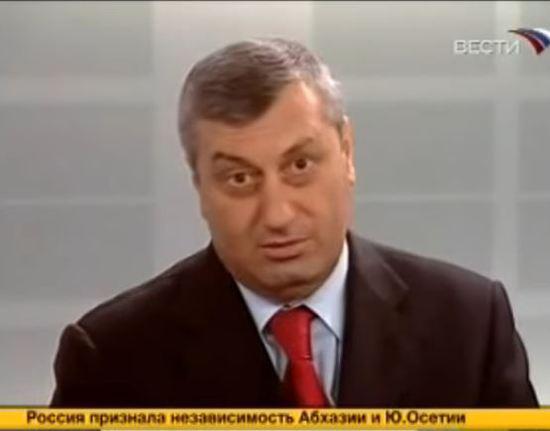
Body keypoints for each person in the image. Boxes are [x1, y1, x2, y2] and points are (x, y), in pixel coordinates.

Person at [50, 38, 538, 407]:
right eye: (240, 178)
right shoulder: (110, 358)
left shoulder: (470, 324)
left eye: (300, 165)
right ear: (198, 183)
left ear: (347, 152)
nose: (278, 215)